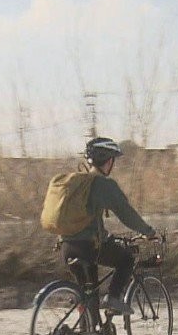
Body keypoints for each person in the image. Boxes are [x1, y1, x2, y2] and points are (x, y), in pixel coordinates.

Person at [60, 136, 157, 317]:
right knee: (126, 259)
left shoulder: (78, 183)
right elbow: (126, 213)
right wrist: (148, 232)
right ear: (108, 161)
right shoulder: (103, 184)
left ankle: (89, 333)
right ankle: (113, 297)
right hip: (89, 247)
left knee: (89, 295)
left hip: (67, 247)